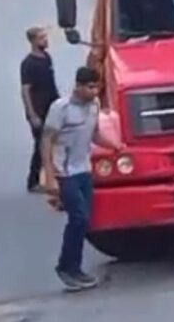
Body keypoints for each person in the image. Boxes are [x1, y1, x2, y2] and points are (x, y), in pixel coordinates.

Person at [42, 66, 124, 292]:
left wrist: (114, 146)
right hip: (65, 172)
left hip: (83, 170)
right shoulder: (61, 108)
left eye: (96, 87)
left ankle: (74, 267)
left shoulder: (94, 106)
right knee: (77, 218)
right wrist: (49, 178)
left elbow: (95, 133)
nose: (94, 91)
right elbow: (47, 141)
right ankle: (67, 267)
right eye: (89, 87)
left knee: (84, 220)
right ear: (77, 86)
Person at [20, 26, 60, 193]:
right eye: (42, 38)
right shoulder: (28, 64)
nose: (46, 40)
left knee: (56, 142)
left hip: (52, 106)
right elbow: (25, 90)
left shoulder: (46, 58)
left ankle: (53, 176)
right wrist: (32, 114)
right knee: (40, 146)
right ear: (33, 41)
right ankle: (33, 181)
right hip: (38, 109)